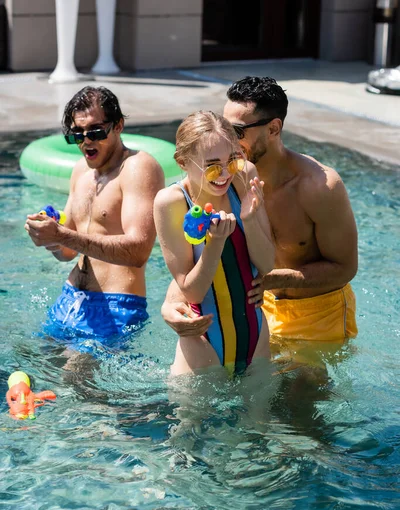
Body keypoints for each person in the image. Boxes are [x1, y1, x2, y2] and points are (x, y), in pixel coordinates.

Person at [161, 76, 358, 348]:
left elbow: (345, 268)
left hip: (316, 313)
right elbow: (194, 257)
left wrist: (274, 278)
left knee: (298, 389)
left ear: (274, 129)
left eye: (237, 131)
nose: (227, 139)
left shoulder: (318, 187)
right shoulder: (227, 181)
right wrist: (172, 302)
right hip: (257, 307)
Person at [25, 86, 164, 348]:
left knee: (74, 380)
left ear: (118, 125)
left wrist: (62, 235)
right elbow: (67, 251)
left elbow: (139, 251)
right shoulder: (80, 171)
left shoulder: (137, 167)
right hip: (70, 299)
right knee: (25, 365)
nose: (86, 141)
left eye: (96, 131)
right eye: (77, 134)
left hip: (115, 307)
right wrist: (47, 237)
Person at [153, 110, 275, 376]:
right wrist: (215, 243)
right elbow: (192, 292)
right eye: (211, 165)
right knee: (194, 419)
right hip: (203, 344)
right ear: (183, 162)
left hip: (256, 339)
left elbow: (267, 264)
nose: (224, 174)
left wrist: (250, 219)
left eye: (232, 160)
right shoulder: (171, 202)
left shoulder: (243, 177)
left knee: (261, 420)